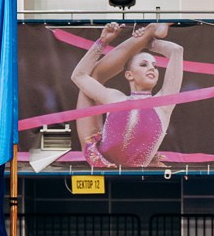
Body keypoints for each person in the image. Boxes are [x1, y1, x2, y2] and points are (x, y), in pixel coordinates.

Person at [69, 21, 186, 169]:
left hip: (130, 171)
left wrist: (148, 42)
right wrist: (103, 41)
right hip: (101, 159)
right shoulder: (114, 98)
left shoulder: (164, 103)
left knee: (96, 74)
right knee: (95, 75)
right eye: (144, 64)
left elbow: (176, 50)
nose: (152, 68)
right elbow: (78, 76)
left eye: (155, 66)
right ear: (129, 75)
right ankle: (150, 30)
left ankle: (150, 31)